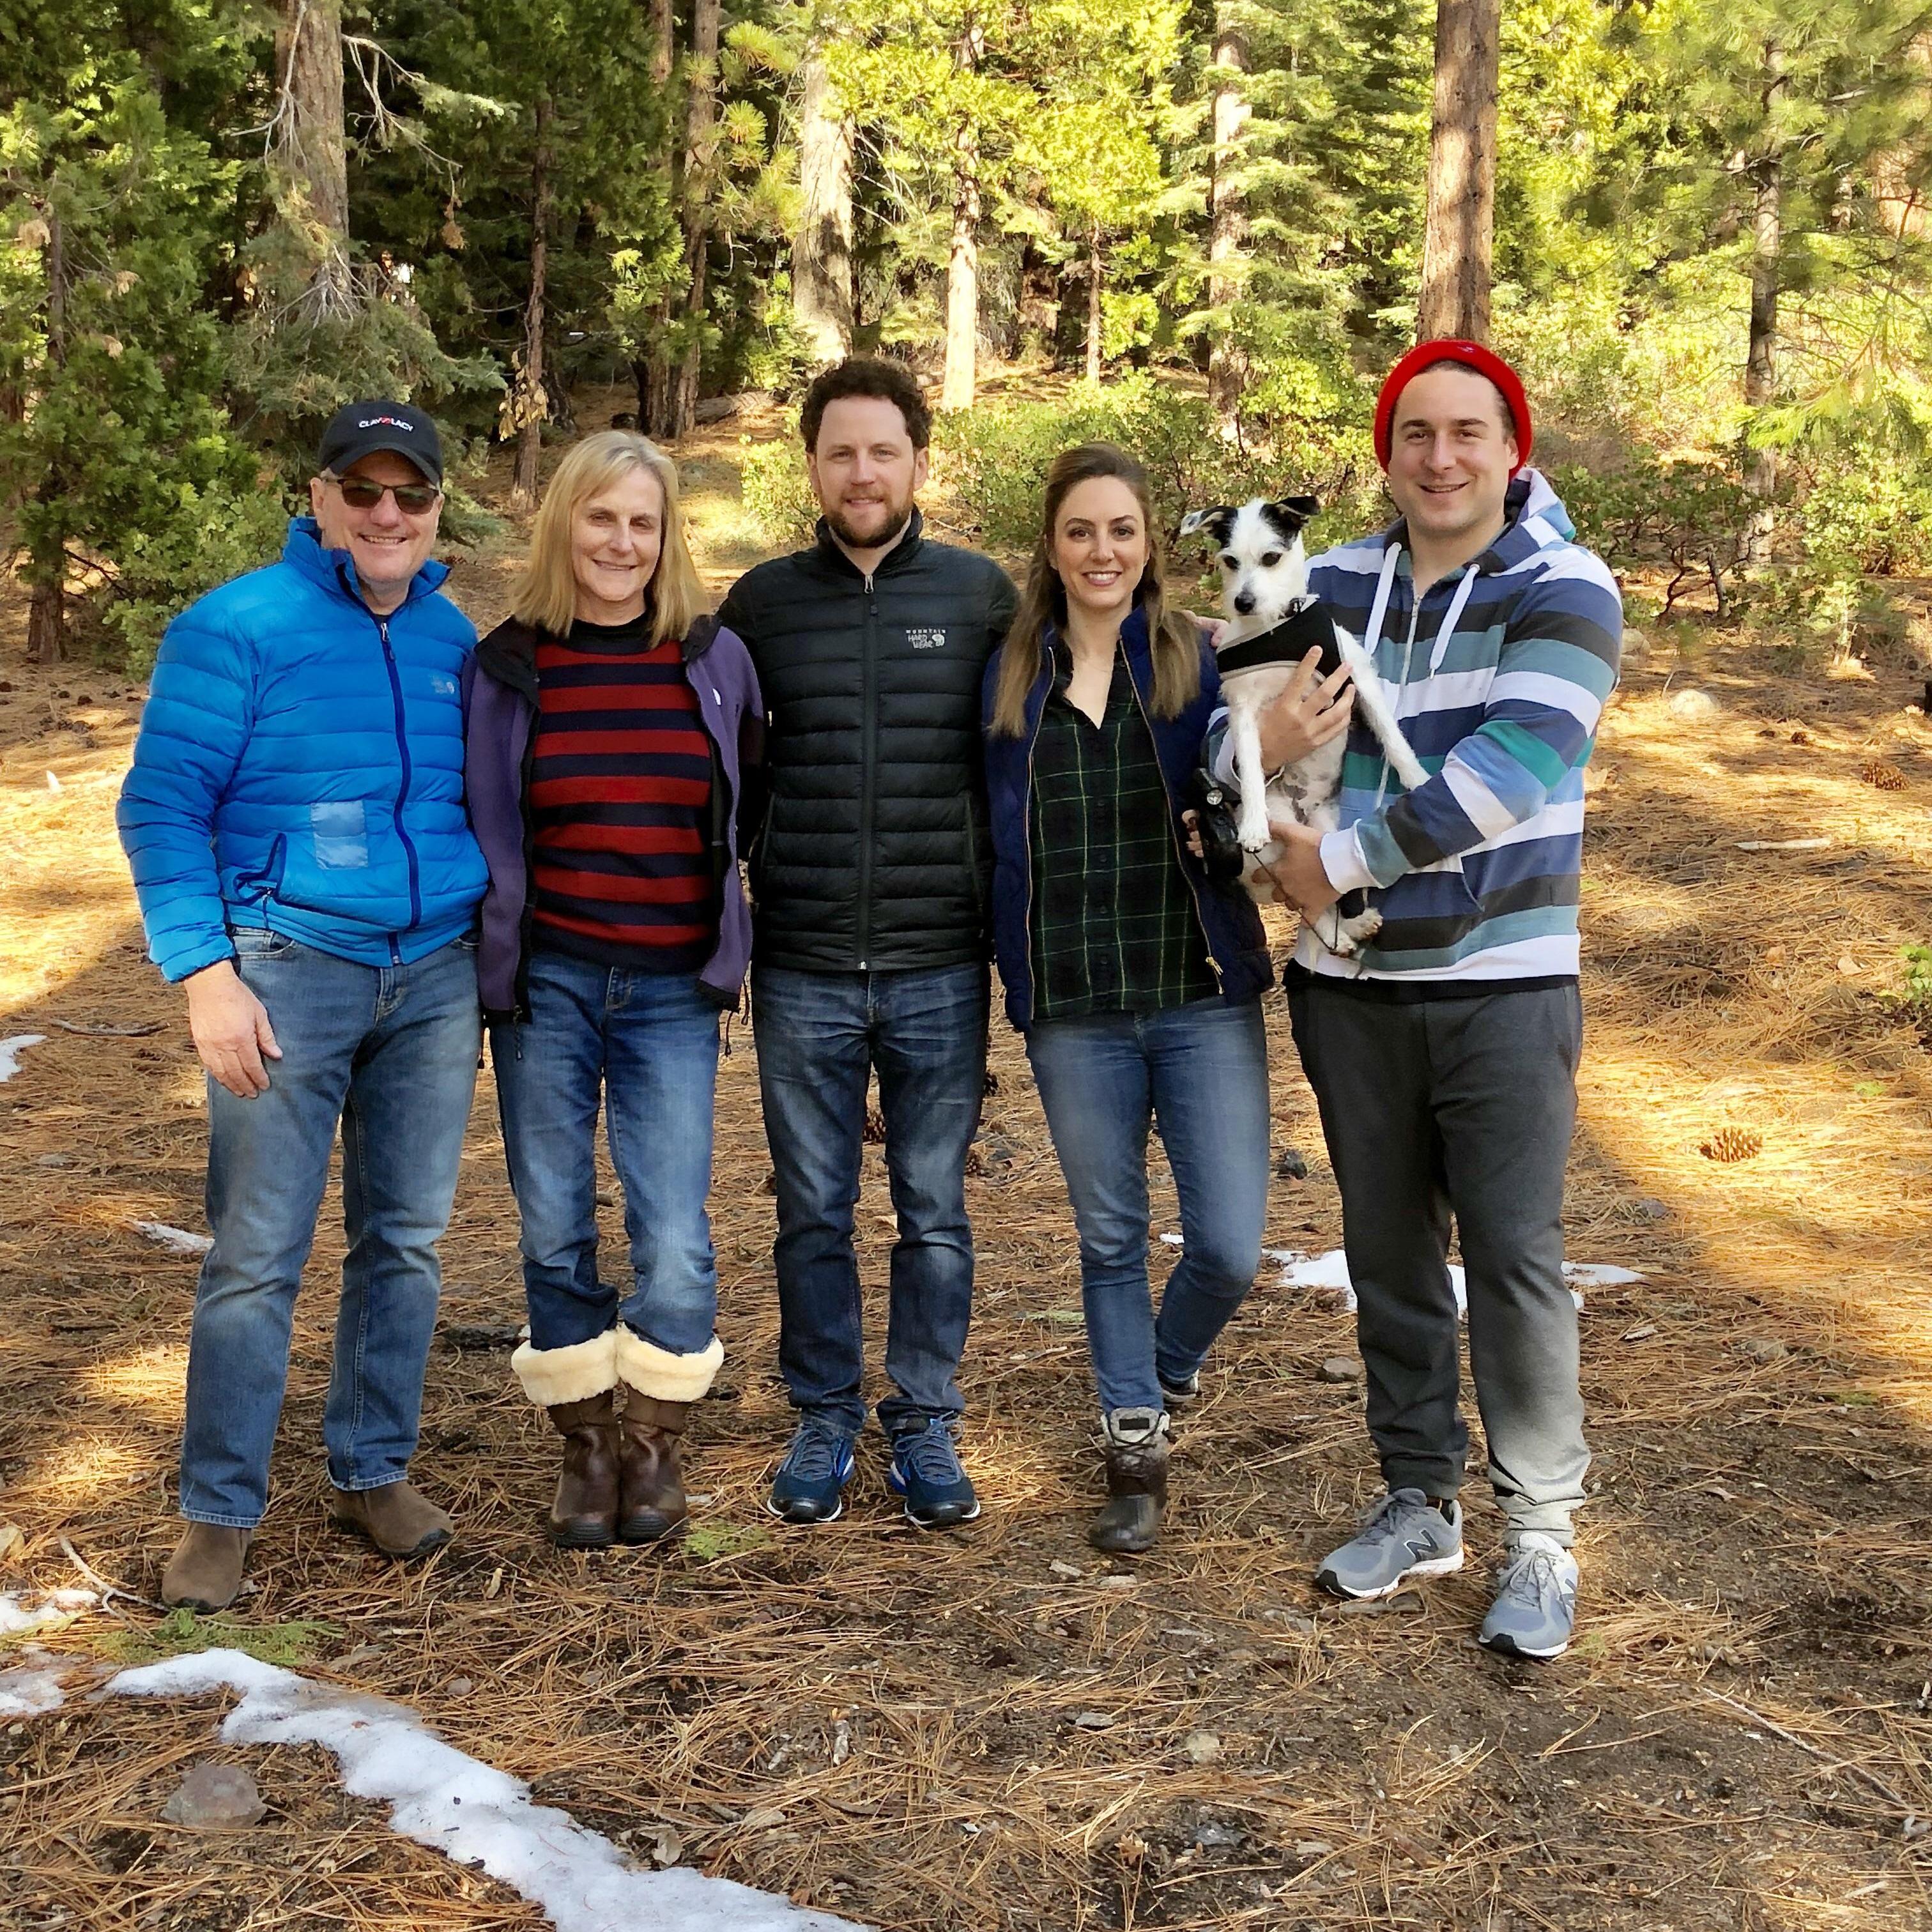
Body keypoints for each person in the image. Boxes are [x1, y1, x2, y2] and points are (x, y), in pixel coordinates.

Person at [1221, 339, 1621, 1658]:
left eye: (1467, 433)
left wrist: (1331, 864)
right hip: (1349, 988)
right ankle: (1419, 1499)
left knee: (1512, 1259)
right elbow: (1241, 725)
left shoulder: (1567, 585)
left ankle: (1541, 1536)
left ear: (1513, 448)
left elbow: (1513, 768)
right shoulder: (1330, 581)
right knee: (1388, 1254)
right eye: (1415, 435)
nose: (1440, 459)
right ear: (1387, 454)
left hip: (1504, 979)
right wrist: (1262, 777)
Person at [117, 400, 488, 1613]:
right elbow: (160, 806)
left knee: (406, 1241)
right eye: (362, 490)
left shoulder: (449, 636)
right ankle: (218, 1511)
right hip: (285, 971)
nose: (387, 514)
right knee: (257, 1254)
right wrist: (206, 977)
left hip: (433, 976)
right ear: (320, 497)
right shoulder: (233, 627)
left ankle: (371, 1471)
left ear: (436, 507)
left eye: (410, 494)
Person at [716, 358, 1018, 1529]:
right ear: (811, 467)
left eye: (882, 451)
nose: (862, 473)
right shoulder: (760, 607)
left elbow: (1041, 747)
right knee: (813, 1210)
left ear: (918, 464)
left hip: (941, 957)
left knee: (933, 1209)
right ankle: (824, 1411)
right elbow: (722, 768)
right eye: (840, 452)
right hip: (801, 962)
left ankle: (925, 1415)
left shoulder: (980, 597)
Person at [463, 431, 760, 1548]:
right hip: (547, 983)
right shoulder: (507, 667)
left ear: (667, 535)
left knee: (673, 1231)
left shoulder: (713, 659)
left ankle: (653, 1438)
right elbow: (481, 814)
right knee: (552, 1225)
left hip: (674, 986)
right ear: (564, 525)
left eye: (643, 521)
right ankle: (585, 1442)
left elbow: (748, 799)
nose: (621, 542)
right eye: (601, 517)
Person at [983, 443, 1273, 1553]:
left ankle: (1160, 1367)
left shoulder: (1201, 657)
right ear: (1051, 548)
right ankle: (1133, 1445)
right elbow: (988, 836)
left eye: (1121, 530)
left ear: (1149, 545)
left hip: (1196, 987)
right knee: (1111, 1237)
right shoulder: (1010, 676)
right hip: (1073, 1005)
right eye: (1080, 531)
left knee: (1229, 1246)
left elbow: (1266, 779)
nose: (1101, 551)